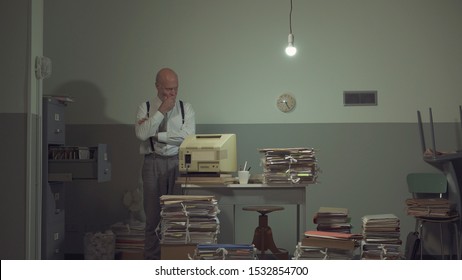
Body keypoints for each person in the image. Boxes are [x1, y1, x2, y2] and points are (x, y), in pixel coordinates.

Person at [135, 68, 196, 259]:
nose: (171, 93)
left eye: (175, 89)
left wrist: (157, 134)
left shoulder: (186, 108)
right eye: (167, 89)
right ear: (157, 86)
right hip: (152, 162)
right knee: (152, 218)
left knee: (177, 214)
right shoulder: (144, 107)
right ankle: (152, 262)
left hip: (178, 163)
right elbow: (141, 134)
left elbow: (188, 137)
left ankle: (174, 260)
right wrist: (161, 112)